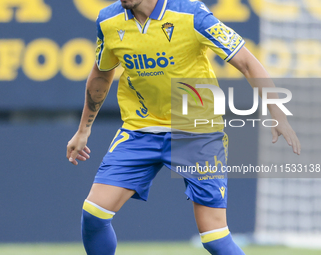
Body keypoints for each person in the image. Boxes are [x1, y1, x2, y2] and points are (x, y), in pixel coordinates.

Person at [66, 0, 301, 254]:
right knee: (93, 214)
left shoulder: (192, 14)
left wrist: (278, 113)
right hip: (140, 129)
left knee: (215, 239)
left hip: (196, 130)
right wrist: (83, 130)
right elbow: (101, 74)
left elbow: (246, 61)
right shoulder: (108, 20)